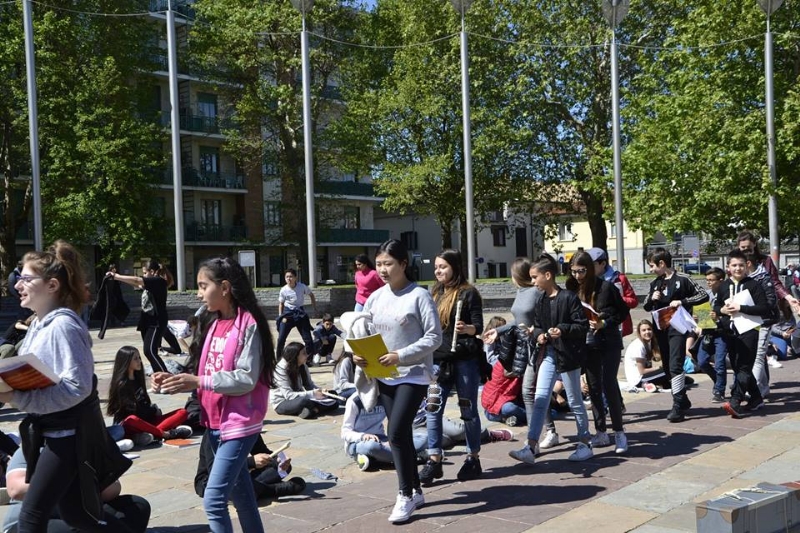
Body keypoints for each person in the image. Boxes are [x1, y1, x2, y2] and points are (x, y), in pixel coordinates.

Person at [1, 240, 132, 532]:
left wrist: (19, 398)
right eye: (18, 278)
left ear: (52, 286)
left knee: (31, 518)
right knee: (78, 517)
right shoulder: (38, 324)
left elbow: (78, 388)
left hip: (69, 437)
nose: (18, 285)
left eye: (26, 278)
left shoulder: (64, 326)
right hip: (52, 433)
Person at [153, 256, 277, 533]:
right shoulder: (211, 321)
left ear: (224, 287)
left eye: (202, 285)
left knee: (213, 499)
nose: (198, 293)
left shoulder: (249, 324)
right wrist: (173, 378)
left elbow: (246, 378)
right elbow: (203, 365)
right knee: (243, 497)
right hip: (214, 422)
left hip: (240, 423)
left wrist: (199, 380)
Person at [355, 239, 442, 523]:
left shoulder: (419, 296)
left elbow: (434, 337)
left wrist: (400, 355)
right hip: (384, 375)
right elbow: (363, 332)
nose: (382, 269)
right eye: (378, 264)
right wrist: (358, 355)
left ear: (404, 264)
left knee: (395, 432)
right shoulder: (376, 297)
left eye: (388, 263)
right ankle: (415, 489)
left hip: (413, 374)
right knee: (400, 436)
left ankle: (404, 495)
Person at [509, 254, 592, 465]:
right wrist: (539, 334)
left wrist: (561, 330)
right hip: (548, 354)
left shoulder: (568, 298)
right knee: (540, 398)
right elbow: (537, 324)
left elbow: (581, 325)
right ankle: (530, 445)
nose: (533, 281)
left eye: (535, 277)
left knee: (574, 400)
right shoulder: (541, 299)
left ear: (548, 275)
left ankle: (585, 442)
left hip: (568, 357)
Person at [420, 249, 484, 484]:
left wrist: (468, 329)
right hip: (438, 361)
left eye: (443, 267)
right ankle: (434, 459)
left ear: (455, 268)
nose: (438, 271)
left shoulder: (468, 293)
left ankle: (472, 458)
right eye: (436, 267)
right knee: (432, 409)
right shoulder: (434, 292)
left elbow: (478, 326)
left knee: (467, 411)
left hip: (464, 360)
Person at [483, 257, 559, 451]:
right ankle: (545, 434)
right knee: (533, 393)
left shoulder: (536, 292)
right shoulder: (521, 292)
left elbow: (543, 319)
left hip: (538, 347)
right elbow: (517, 322)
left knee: (531, 392)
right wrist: (497, 332)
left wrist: (539, 333)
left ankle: (537, 439)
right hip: (523, 348)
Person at [566, 251, 628, 454]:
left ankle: (619, 432)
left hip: (608, 341)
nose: (577, 276)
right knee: (593, 387)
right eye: (573, 271)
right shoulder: (572, 288)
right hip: (588, 342)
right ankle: (601, 430)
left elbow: (622, 313)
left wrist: (604, 321)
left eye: (581, 271)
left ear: (590, 269)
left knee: (609, 384)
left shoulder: (606, 287)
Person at [3, 447, 150, 533]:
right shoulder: (32, 447)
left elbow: (112, 490)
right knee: (76, 529)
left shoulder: (88, 447)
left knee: (137, 506)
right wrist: (68, 483)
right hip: (37, 519)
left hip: (82, 510)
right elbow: (16, 489)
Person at [642, 247, 708, 423]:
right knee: (667, 366)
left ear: (662, 264)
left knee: (675, 364)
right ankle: (683, 397)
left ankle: (677, 404)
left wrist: (683, 301)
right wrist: (651, 299)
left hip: (677, 328)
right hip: (660, 329)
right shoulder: (655, 283)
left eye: (652, 266)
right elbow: (646, 307)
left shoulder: (683, 279)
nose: (651, 270)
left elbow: (703, 295)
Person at [714, 249, 771, 418]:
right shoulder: (724, 286)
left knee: (745, 366)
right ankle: (756, 398)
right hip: (730, 331)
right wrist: (722, 310)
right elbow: (717, 306)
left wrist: (741, 308)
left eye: (741, 265)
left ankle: (735, 401)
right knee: (739, 367)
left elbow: (764, 307)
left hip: (749, 330)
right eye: (734, 265)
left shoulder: (753, 285)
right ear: (728, 267)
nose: (737, 268)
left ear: (747, 266)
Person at [106, 346, 193, 445]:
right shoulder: (121, 384)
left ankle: (150, 434)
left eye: (139, 358)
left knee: (182, 412)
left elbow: (145, 404)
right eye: (135, 359)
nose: (139, 361)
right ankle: (165, 434)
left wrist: (154, 409)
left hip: (147, 422)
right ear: (126, 361)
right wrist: (152, 410)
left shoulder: (138, 378)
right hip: (131, 423)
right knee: (132, 419)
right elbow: (132, 411)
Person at [194, 432, 305, 501]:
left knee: (281, 469)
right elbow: (216, 469)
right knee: (240, 491)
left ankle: (256, 489)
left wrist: (279, 461)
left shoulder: (250, 428)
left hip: (241, 475)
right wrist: (251, 462)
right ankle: (274, 489)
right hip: (210, 483)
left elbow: (263, 452)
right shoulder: (215, 433)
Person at [109, 260, 170, 374]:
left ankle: (166, 378)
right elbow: (137, 283)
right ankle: (160, 378)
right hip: (147, 321)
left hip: (156, 321)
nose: (144, 276)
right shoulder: (152, 283)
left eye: (145, 273)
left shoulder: (158, 281)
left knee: (150, 351)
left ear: (152, 271)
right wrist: (116, 278)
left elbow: (137, 280)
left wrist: (117, 276)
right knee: (149, 352)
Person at [271, 342, 338, 419]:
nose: (307, 355)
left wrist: (320, 391)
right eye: (304, 353)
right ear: (295, 356)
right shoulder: (281, 369)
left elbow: (310, 385)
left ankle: (313, 410)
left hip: (300, 396)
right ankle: (311, 409)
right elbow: (288, 395)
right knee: (305, 401)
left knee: (333, 396)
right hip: (283, 402)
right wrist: (313, 393)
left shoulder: (302, 365)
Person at [587, 248, 638, 336]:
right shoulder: (587, 280)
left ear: (603, 264)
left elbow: (633, 301)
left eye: (593, 264)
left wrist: (617, 298)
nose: (589, 268)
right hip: (594, 325)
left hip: (616, 327)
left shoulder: (619, 279)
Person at [695, 267, 729, 403]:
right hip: (707, 332)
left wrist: (719, 317)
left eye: (711, 280)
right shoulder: (706, 295)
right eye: (707, 280)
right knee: (702, 361)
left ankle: (719, 390)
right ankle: (718, 381)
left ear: (720, 281)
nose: (708, 283)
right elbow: (701, 312)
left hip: (721, 333)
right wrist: (698, 318)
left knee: (720, 362)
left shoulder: (726, 295)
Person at [275, 269, 317, 362]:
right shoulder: (283, 289)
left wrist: (314, 307)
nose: (289, 279)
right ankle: (278, 359)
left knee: (308, 339)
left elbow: (311, 295)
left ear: (295, 277)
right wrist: (280, 316)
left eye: (290, 276)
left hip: (300, 313)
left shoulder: (302, 286)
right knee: (281, 338)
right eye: (287, 277)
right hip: (288, 314)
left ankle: (308, 359)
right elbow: (281, 304)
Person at [623, 320, 669, 390]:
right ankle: (646, 384)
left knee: (680, 377)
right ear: (639, 333)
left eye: (649, 329)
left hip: (645, 376)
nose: (647, 332)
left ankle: (654, 385)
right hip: (637, 379)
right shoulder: (638, 346)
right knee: (668, 371)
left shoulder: (649, 342)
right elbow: (642, 371)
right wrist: (658, 368)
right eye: (644, 330)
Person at [481, 359, 526, 426]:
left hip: (505, 401)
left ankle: (507, 419)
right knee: (508, 408)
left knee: (503, 411)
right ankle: (531, 417)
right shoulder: (503, 366)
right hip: (494, 408)